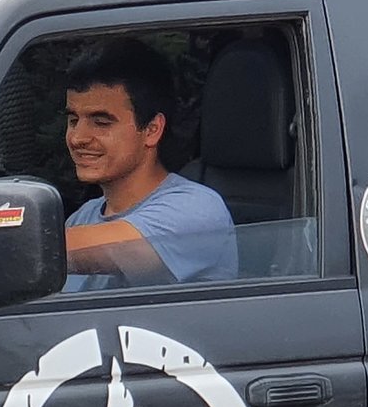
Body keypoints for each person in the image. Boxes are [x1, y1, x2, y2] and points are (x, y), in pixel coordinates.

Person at [58, 40, 236, 292]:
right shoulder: (82, 218)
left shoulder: (197, 208)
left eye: (101, 122)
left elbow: (112, 250)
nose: (78, 138)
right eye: (74, 120)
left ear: (152, 130)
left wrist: (12, 241)